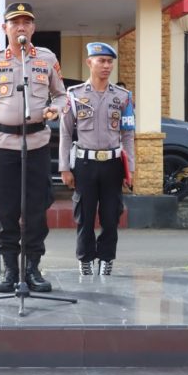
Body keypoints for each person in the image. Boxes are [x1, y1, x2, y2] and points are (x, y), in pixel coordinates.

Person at [0, 2, 67, 293]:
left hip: (37, 144)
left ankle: (33, 269)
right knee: (7, 209)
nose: (21, 27)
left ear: (33, 28)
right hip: (3, 146)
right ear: (5, 28)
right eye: (15, 23)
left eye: (26, 22)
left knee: (37, 209)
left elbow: (63, 97)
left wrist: (55, 109)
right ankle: (11, 270)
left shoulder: (46, 59)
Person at [58, 42, 135, 276]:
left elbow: (128, 134)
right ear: (89, 62)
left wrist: (130, 168)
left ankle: (106, 258)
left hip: (112, 164)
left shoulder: (123, 97)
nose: (106, 66)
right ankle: (85, 258)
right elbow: (65, 132)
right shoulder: (75, 95)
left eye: (110, 61)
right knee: (85, 214)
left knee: (111, 215)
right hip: (84, 164)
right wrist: (64, 167)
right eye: (101, 61)